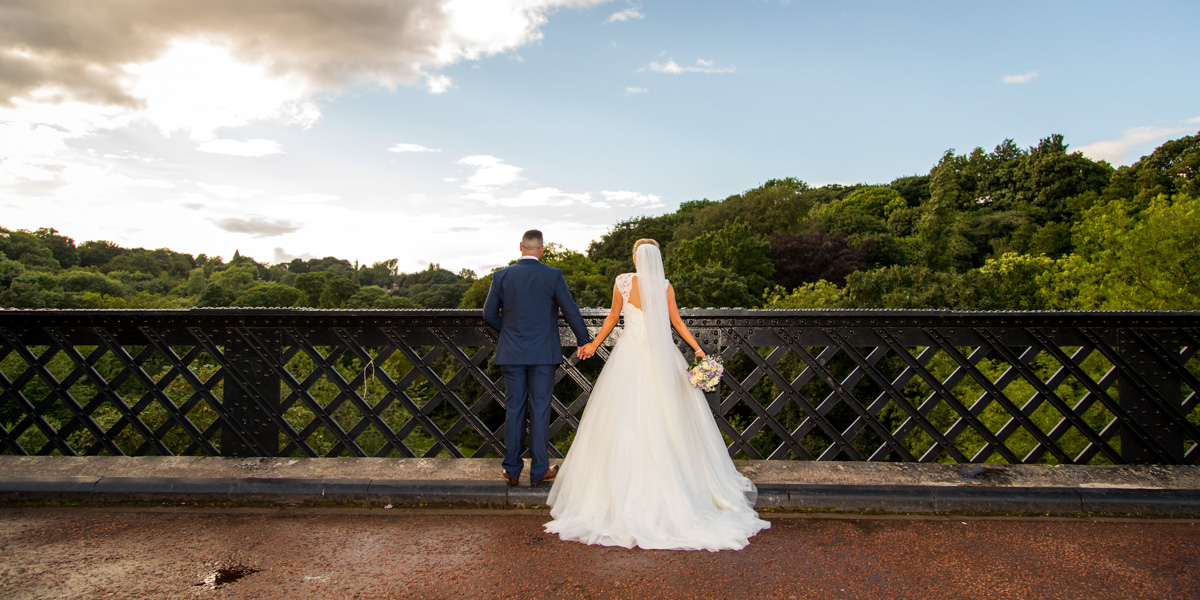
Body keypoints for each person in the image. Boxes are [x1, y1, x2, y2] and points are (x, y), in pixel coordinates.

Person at [545, 239, 770, 551]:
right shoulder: (664, 285)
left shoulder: (622, 282)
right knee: (669, 421)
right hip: (662, 359)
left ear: (636, 257)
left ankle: (616, 497)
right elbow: (676, 322)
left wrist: (594, 345)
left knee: (623, 421)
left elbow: (612, 318)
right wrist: (698, 349)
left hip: (629, 357)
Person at [484, 230, 592, 486]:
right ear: (542, 249)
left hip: (511, 353)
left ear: (520, 246)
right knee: (541, 409)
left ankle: (511, 470)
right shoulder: (552, 275)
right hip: (543, 353)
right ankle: (539, 470)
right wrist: (584, 340)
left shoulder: (501, 276)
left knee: (514, 409)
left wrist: (510, 331)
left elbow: (489, 315)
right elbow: (571, 310)